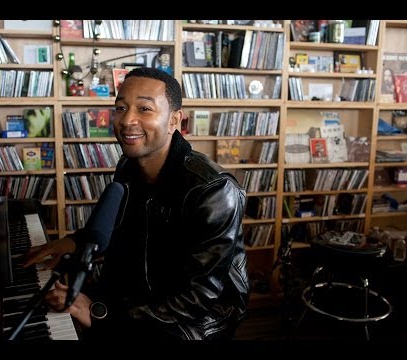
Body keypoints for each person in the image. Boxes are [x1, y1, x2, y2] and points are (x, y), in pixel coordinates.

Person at [23, 67, 250, 341]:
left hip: (196, 318)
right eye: (121, 107)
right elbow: (122, 225)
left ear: (174, 120)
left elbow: (200, 296)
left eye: (144, 108)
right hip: (141, 292)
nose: (127, 119)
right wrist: (75, 241)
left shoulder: (213, 189)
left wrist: (99, 312)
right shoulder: (128, 166)